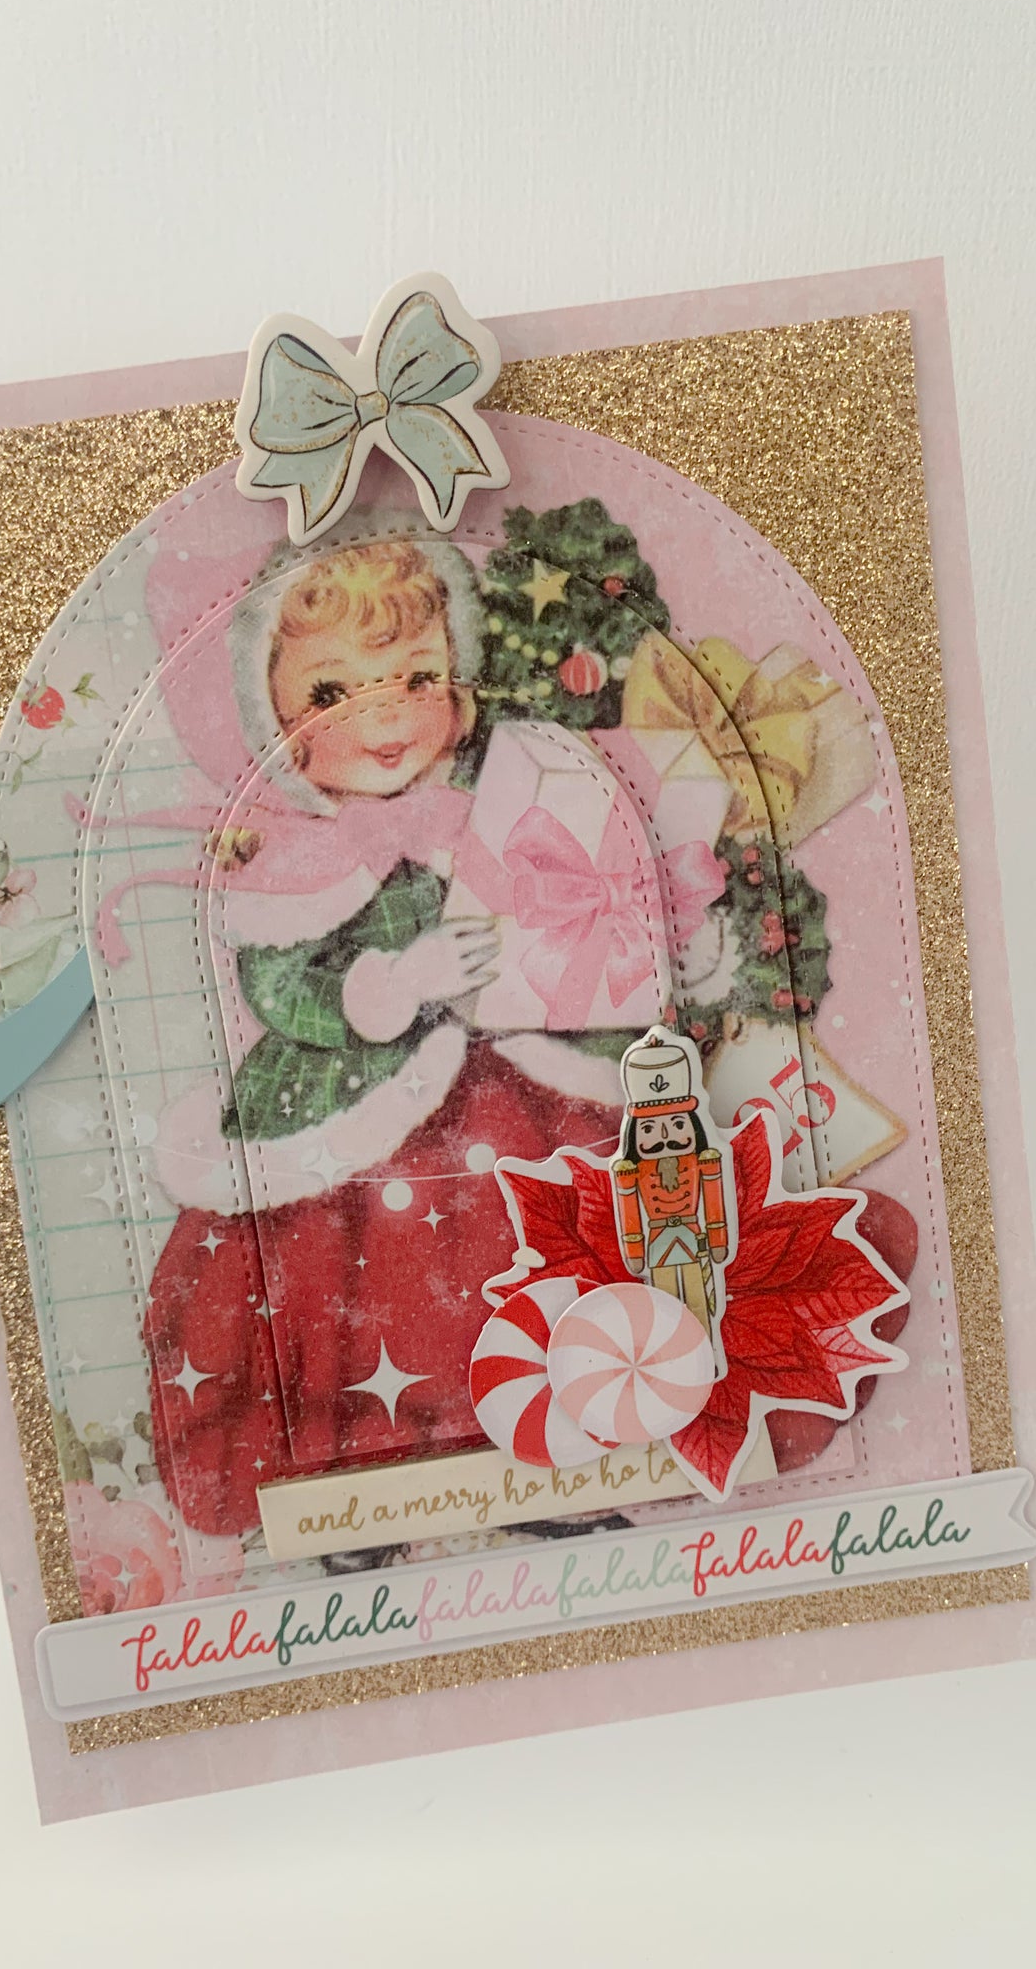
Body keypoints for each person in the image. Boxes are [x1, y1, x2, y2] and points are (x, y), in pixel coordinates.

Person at [133, 530, 630, 1536]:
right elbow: (281, 984)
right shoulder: (283, 857)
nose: (388, 716)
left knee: (531, 1234)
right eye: (332, 693)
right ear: (268, 717)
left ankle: (551, 1443)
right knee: (356, 1289)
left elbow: (568, 913)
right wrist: (389, 987)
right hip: (341, 1111)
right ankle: (361, 1484)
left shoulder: (489, 804)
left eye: (416, 677)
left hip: (500, 1076)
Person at [612, 1028, 728, 1335]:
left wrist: (718, 1239)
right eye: (649, 1129)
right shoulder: (631, 1172)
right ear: (635, 1134)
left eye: (677, 1124)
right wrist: (634, 1250)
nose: (665, 1137)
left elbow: (714, 1199)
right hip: (658, 1241)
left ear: (693, 1127)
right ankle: (677, 1353)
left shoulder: (703, 1162)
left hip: (691, 1235)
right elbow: (629, 1211)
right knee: (666, 1308)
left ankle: (705, 1350)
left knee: (697, 1301)